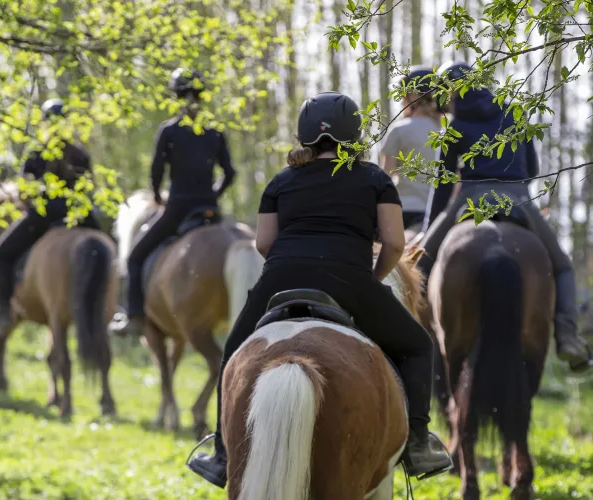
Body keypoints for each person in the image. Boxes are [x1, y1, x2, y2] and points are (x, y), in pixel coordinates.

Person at [186, 91, 453, 488]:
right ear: (354, 134)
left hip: (281, 277)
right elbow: (396, 244)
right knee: (417, 346)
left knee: (234, 351)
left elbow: (263, 243)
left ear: (304, 134)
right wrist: (373, 279)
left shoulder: (282, 181)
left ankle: (223, 455)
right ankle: (417, 443)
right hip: (349, 278)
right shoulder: (375, 179)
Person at [417, 60, 592, 371]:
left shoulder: (455, 126)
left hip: (468, 199)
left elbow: (443, 187)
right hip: (519, 199)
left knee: (419, 266)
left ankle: (411, 335)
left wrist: (430, 232)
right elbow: (533, 169)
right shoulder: (513, 113)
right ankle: (567, 337)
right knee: (562, 265)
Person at [109, 68, 237, 336]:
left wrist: (157, 196)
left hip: (178, 208)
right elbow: (230, 173)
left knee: (135, 256)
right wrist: (213, 194)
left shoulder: (169, 131)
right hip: (210, 210)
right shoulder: (214, 131)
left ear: (176, 96)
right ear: (201, 96)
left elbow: (156, 171)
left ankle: (134, 316)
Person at [0, 98, 100, 330]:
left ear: (44, 123)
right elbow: (89, 189)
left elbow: (24, 191)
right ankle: (118, 305)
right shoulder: (80, 154)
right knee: (106, 250)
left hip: (40, 220)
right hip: (78, 217)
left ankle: (2, 309)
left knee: (0, 254)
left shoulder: (35, 154)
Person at [381, 67, 442, 230]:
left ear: (414, 97)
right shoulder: (446, 133)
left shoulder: (399, 130)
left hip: (404, 211)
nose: (402, 101)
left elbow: (384, 179)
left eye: (404, 96)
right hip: (436, 214)